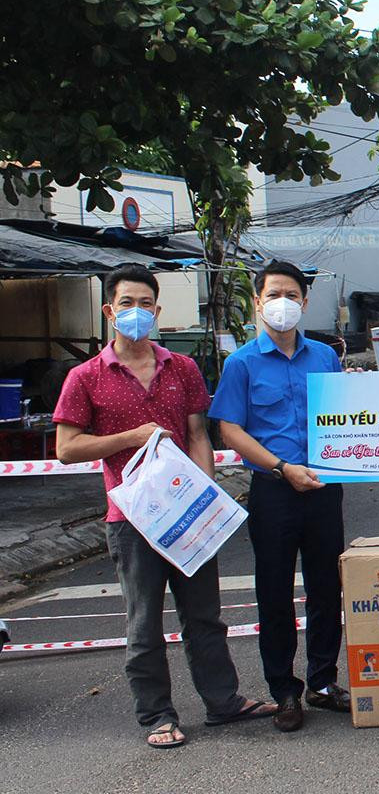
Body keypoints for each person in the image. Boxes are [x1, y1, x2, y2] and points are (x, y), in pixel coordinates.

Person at [53, 264, 274, 750]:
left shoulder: (183, 368)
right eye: (126, 304)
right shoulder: (85, 377)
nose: (136, 312)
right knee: (144, 623)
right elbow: (66, 448)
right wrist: (131, 437)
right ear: (109, 311)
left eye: (145, 304)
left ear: (157, 311)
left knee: (205, 616)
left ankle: (223, 702)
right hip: (132, 521)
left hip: (187, 515)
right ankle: (157, 715)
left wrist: (206, 496)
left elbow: (198, 435)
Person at [209, 260, 350, 732]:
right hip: (273, 491)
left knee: (326, 588)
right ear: (257, 301)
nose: (282, 304)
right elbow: (230, 429)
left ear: (305, 303)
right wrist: (282, 468)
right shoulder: (241, 363)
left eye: (291, 295)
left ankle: (323, 682)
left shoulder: (325, 357)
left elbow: (351, 416)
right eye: (273, 295)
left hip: (325, 488)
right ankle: (284, 690)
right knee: (274, 592)